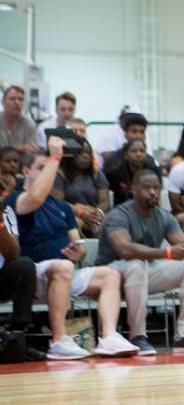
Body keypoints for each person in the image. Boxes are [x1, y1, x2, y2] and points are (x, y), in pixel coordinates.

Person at [12, 140, 138, 359]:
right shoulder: (15, 198)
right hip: (33, 275)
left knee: (110, 275)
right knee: (62, 266)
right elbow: (34, 198)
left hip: (64, 273)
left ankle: (109, 337)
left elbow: (77, 243)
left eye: (50, 169)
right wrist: (55, 156)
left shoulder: (62, 206)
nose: (48, 173)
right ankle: (59, 340)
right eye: (41, 168)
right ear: (25, 171)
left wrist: (79, 252)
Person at [98, 170, 184, 354]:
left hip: (144, 274)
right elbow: (125, 250)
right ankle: (138, 336)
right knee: (136, 264)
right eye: (147, 187)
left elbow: (182, 243)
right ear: (133, 190)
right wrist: (167, 253)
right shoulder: (118, 215)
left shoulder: (164, 216)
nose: (153, 192)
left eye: (156, 188)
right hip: (110, 276)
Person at [51, 139, 109, 237]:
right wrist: (81, 213)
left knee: (112, 223)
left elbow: (105, 201)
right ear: (70, 155)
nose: (86, 156)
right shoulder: (60, 174)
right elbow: (58, 203)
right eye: (80, 153)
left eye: (88, 153)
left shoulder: (96, 174)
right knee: (75, 223)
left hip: (94, 214)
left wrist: (96, 214)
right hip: (70, 214)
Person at [0, 203, 37, 347]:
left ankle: (18, 332)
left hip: (2, 276)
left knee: (25, 265)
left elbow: (13, 253)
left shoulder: (5, 210)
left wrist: (0, 224)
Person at [104, 139, 161, 206]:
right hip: (122, 210)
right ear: (126, 155)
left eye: (142, 151)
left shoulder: (154, 171)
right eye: (134, 151)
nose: (138, 154)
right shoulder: (115, 173)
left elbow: (157, 194)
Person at [0, 86, 37, 153]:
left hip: (23, 162)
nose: (17, 102)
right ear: (3, 102)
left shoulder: (29, 124)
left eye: (21, 99)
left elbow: (32, 151)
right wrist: (17, 149)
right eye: (12, 99)